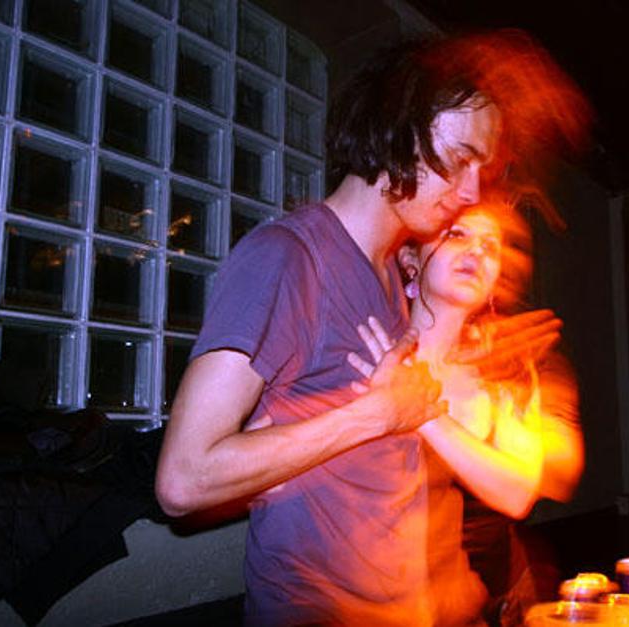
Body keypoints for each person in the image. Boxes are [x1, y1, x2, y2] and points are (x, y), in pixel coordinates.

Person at [155, 31, 588, 626]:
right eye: (461, 158)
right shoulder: (288, 258)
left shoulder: (389, 278)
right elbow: (184, 480)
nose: (470, 191)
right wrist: (375, 415)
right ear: (398, 127)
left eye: (481, 169)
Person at [346, 200, 585, 625]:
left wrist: (424, 413)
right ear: (410, 259)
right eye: (457, 234)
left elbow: (517, 494)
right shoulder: (369, 350)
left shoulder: (505, 371)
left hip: (489, 606)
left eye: (490, 246)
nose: (477, 251)